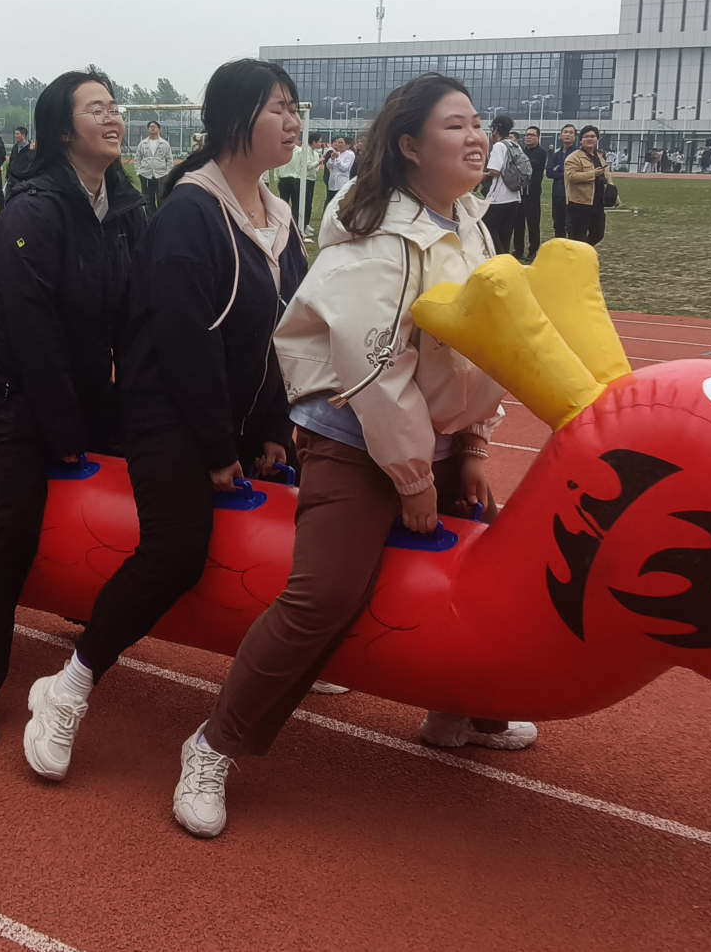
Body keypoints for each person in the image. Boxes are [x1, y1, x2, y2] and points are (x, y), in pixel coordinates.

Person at [170, 73, 518, 839]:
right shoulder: (378, 234)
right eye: (455, 125)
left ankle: (460, 710)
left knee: (492, 571)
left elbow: (491, 343)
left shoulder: (470, 220)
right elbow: (372, 368)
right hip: (357, 437)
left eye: (476, 123)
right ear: (410, 145)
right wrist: (414, 477)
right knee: (322, 597)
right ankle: (214, 744)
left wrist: (473, 445)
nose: (475, 136)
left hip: (433, 437)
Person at [13, 58, 305, 784]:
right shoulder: (189, 212)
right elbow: (183, 343)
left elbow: (289, 332)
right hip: (167, 411)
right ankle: (69, 684)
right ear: (234, 120)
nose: (294, 121)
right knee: (177, 549)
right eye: (278, 107)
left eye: (295, 108)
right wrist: (217, 446)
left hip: (238, 412)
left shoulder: (279, 218)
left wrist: (275, 424)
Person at [0, 71, 148, 747]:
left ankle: (88, 629)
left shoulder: (124, 205)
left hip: (87, 385)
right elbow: (31, 327)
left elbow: (136, 311)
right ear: (63, 130)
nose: (114, 118)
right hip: (12, 390)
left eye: (115, 107)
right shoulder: (32, 209)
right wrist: (66, 431)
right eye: (97, 109)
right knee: (6, 528)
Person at [480, 115, 529, 255]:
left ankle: (498, 257)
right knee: (505, 233)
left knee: (487, 227)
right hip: (514, 196)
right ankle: (504, 259)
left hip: (499, 197)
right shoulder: (515, 145)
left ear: (495, 130)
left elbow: (495, 170)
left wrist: (483, 175)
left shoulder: (499, 146)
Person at [561, 125, 611, 245]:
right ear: (581, 140)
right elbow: (571, 176)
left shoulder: (600, 156)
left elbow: (606, 176)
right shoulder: (574, 157)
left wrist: (613, 193)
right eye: (586, 136)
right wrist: (593, 174)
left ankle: (584, 251)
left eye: (592, 136)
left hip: (597, 203)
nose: (589, 139)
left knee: (598, 234)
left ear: (597, 139)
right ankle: (578, 255)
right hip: (579, 203)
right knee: (577, 237)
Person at [517, 125, 548, 257]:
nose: (528, 137)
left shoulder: (541, 153)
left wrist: (520, 164)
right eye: (527, 135)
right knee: (518, 223)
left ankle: (533, 250)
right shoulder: (521, 151)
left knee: (533, 223)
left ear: (538, 137)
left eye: (532, 135)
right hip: (519, 192)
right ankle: (518, 250)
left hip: (533, 193)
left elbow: (530, 166)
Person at [136, 119, 175, 213]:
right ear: (148, 129)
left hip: (161, 176)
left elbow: (169, 160)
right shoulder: (142, 144)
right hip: (146, 176)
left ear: (159, 129)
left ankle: (161, 219)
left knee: (161, 199)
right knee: (148, 201)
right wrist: (138, 172)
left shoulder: (164, 144)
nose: (152, 129)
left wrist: (166, 174)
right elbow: (137, 158)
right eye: (151, 127)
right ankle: (150, 221)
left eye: (155, 127)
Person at [545, 123, 577, 238]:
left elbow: (575, 172)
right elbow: (549, 172)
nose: (567, 135)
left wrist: (559, 169)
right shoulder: (556, 155)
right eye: (565, 132)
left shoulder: (578, 154)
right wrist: (564, 173)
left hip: (572, 195)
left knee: (571, 225)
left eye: (571, 133)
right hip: (557, 194)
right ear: (560, 136)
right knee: (558, 224)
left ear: (575, 137)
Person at [5, 124, 32, 192]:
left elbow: (30, 163)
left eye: (17, 134)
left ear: (23, 135)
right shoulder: (14, 148)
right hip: (12, 178)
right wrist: (7, 176)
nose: (15, 136)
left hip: (22, 179)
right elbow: (11, 162)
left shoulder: (30, 149)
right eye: (15, 134)